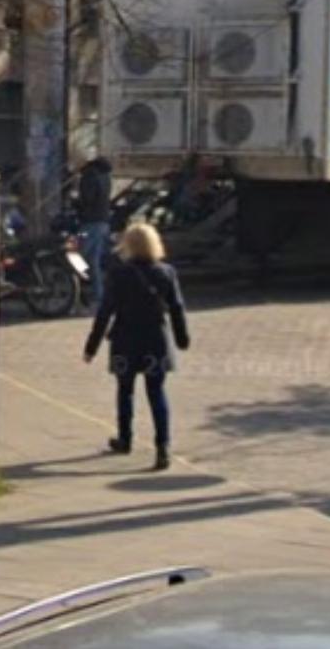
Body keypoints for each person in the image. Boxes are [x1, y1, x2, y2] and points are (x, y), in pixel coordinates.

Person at [83, 222, 190, 471]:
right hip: (156, 340)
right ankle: (163, 446)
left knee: (125, 390)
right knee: (156, 392)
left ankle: (125, 438)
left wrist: (92, 346)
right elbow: (176, 307)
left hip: (125, 340)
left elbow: (105, 312)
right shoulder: (166, 272)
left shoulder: (118, 274)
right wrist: (182, 337)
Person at [75, 156, 114, 312]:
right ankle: (99, 296)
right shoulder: (106, 178)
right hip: (103, 222)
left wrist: (77, 204)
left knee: (75, 257)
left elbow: (87, 199)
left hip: (90, 223)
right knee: (93, 261)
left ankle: (76, 293)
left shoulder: (89, 177)